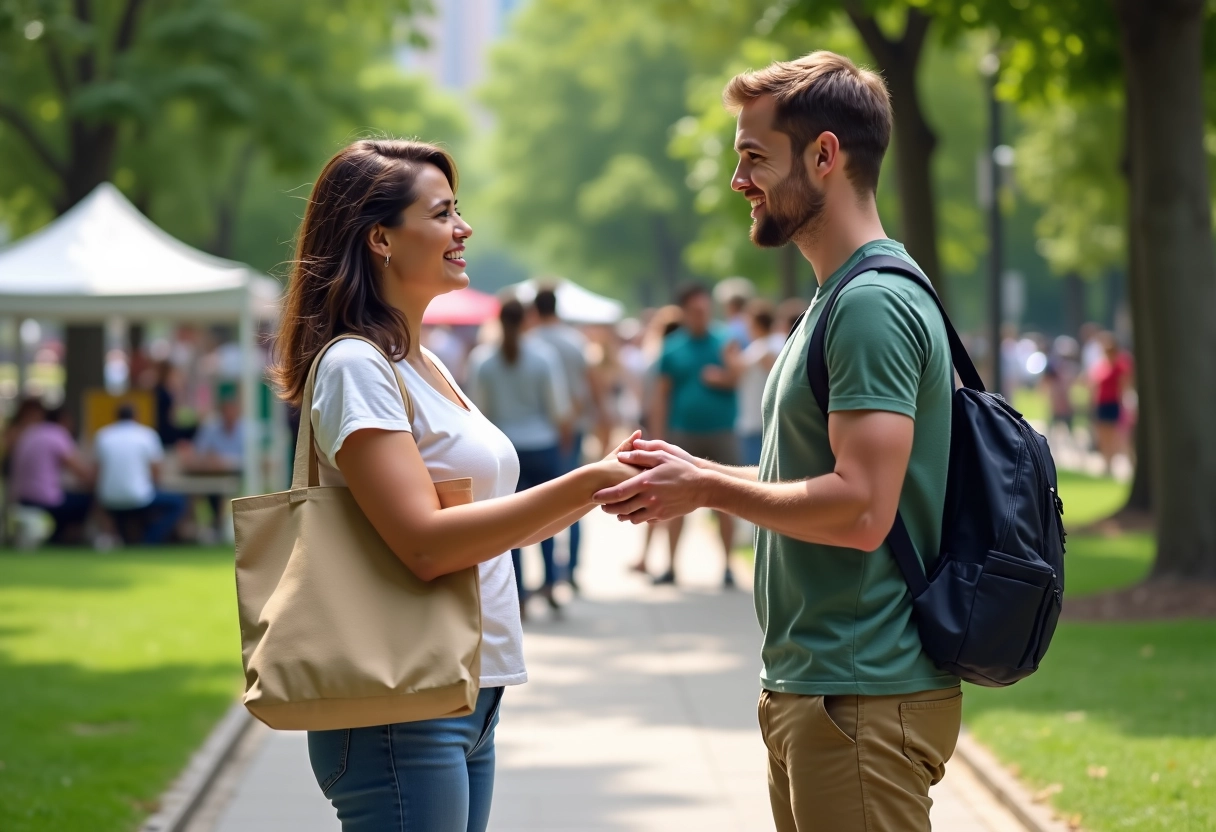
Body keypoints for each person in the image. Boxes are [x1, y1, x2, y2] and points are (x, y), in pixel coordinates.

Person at [596, 52, 962, 832]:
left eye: (753, 157)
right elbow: (814, 475)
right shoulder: (835, 301)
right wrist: (698, 470)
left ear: (824, 156)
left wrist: (708, 490)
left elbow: (862, 508)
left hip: (859, 693)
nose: (739, 182)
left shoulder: (869, 305)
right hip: (821, 692)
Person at [269, 139, 638, 832]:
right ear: (380, 237)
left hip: (466, 694)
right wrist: (588, 481)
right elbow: (426, 546)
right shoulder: (357, 366)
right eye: (442, 214)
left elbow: (494, 525)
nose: (463, 229)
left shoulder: (425, 364)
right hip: (401, 706)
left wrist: (607, 486)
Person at [467, 299, 571, 618]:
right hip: (541, 443)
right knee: (548, 516)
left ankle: (520, 592)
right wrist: (563, 435)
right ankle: (552, 582)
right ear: (528, 319)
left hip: (504, 449)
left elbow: (475, 409)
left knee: (511, 523)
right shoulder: (542, 357)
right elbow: (558, 405)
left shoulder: (483, 359)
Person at [649, 281, 740, 588]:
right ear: (685, 312)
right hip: (683, 434)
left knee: (728, 499)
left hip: (721, 432)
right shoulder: (673, 347)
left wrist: (723, 377)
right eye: (695, 310)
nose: (701, 314)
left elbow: (739, 377)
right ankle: (672, 565)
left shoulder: (724, 340)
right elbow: (661, 395)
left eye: (705, 309)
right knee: (673, 500)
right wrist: (658, 435)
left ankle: (728, 565)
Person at [526, 287, 598, 591]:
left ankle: (545, 574)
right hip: (571, 426)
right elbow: (587, 387)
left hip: (537, 432)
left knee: (537, 503)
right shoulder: (574, 341)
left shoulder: (530, 343)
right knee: (577, 498)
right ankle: (569, 569)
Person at [94, 404, 187, 545]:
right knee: (178, 503)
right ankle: (149, 540)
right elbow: (157, 471)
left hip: (109, 497)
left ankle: (120, 538)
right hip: (138, 496)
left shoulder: (103, 435)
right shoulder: (147, 435)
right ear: (136, 417)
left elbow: (97, 470)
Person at [9, 404, 94, 544]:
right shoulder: (57, 434)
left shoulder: (29, 432)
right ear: (63, 420)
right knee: (88, 500)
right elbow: (81, 472)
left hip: (21, 498)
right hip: (45, 501)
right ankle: (68, 539)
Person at [184, 389, 244, 538]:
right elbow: (200, 453)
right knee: (197, 490)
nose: (229, 414)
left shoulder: (247, 430)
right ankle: (201, 529)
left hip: (239, 476)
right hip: (211, 476)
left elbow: (250, 459)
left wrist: (223, 461)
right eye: (226, 410)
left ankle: (220, 526)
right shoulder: (210, 428)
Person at [733, 299, 784, 466]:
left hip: (759, 422)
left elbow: (738, 367)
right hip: (761, 420)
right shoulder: (778, 341)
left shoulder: (763, 346)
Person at [1090, 331, 1133, 473]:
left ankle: (1113, 462)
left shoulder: (1121, 365)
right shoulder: (1102, 365)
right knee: (1103, 433)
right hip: (1102, 402)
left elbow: (1125, 384)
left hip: (1114, 402)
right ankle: (1106, 462)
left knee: (1115, 434)